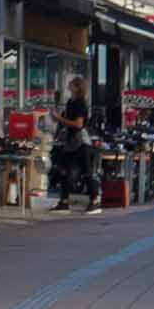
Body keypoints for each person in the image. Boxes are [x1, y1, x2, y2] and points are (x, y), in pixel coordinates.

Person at [50, 75, 99, 212]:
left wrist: (59, 118)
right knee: (64, 170)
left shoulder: (80, 103)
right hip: (71, 142)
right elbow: (65, 121)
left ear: (78, 88)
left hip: (81, 143)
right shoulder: (71, 102)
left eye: (72, 84)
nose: (69, 86)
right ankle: (64, 201)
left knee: (87, 172)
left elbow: (78, 124)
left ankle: (94, 200)